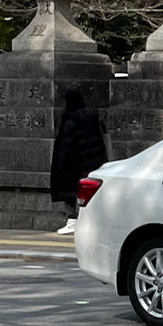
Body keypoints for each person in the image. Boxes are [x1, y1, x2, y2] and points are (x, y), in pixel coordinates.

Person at [49, 88, 107, 235]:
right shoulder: (93, 119)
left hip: (75, 165)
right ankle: (92, 222)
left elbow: (65, 148)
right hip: (93, 162)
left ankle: (72, 220)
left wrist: (60, 165)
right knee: (90, 194)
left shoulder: (70, 122)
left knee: (69, 191)